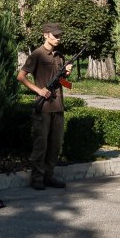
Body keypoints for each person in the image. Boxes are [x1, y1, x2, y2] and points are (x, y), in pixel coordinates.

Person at [17, 22, 73, 191]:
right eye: (55, 35)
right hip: (43, 108)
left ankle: (49, 176)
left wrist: (66, 75)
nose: (58, 38)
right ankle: (37, 178)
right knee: (41, 145)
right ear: (45, 35)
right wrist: (39, 91)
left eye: (59, 35)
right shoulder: (37, 54)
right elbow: (21, 76)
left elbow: (64, 84)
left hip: (58, 106)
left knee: (55, 145)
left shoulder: (59, 56)